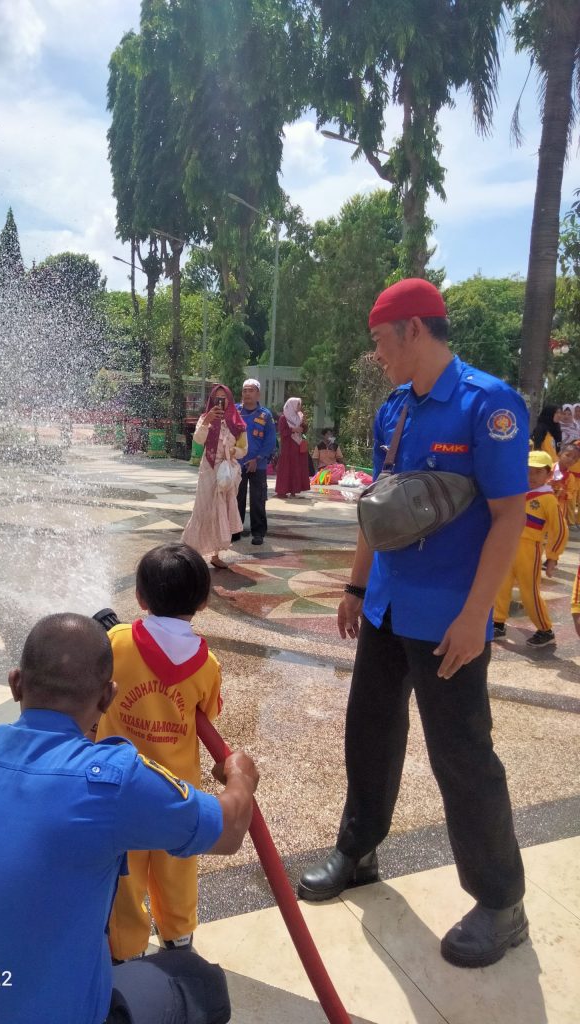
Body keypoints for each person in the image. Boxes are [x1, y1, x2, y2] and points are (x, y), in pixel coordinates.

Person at [298, 278, 530, 970]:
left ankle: (501, 903)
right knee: (369, 731)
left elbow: (508, 517)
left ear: (413, 331)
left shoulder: (487, 406)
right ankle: (359, 848)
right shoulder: (394, 410)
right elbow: (380, 504)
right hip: (388, 606)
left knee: (462, 756)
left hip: (448, 620)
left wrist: (474, 616)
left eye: (379, 342)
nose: (377, 357)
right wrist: (356, 584)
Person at [0, 613, 258, 1024]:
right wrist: (240, 776)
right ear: (108, 697)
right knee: (199, 981)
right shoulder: (112, 781)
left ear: (16, 683)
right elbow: (230, 829)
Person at [95, 543, 222, 962]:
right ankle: (178, 938)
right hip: (177, 793)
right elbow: (210, 709)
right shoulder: (207, 665)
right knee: (177, 868)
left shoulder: (117, 642)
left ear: (140, 597)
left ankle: (125, 949)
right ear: (203, 601)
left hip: (119, 789)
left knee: (125, 875)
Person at [493, 450, 567, 647]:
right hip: (507, 545)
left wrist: (553, 557)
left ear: (548, 475)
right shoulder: (516, 493)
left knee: (529, 591)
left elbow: (559, 529)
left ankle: (545, 629)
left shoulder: (548, 499)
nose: (531, 477)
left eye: (537, 472)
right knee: (500, 584)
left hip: (529, 549)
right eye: (528, 471)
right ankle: (498, 622)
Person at [182, 384, 247, 569]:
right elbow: (198, 440)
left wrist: (232, 451)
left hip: (226, 473)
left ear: (229, 399)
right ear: (212, 400)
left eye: (224, 397)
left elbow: (244, 449)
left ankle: (215, 554)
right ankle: (191, 551)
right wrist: (208, 420)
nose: (221, 400)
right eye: (217, 397)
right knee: (202, 509)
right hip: (208, 470)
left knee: (220, 511)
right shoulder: (205, 418)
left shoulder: (238, 422)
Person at [233, 378, 276, 546]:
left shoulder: (265, 415)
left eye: (251, 390)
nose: (247, 394)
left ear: (258, 394)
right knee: (237, 497)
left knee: (258, 499)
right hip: (238, 463)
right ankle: (235, 530)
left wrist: (257, 459)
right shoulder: (235, 411)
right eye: (244, 390)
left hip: (259, 464)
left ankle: (258, 532)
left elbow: (270, 441)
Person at [275, 397, 311, 498]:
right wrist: (294, 429)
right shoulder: (284, 418)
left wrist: (304, 424)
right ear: (292, 405)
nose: (300, 407)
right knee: (286, 467)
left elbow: (304, 430)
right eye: (298, 404)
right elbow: (282, 432)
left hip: (298, 447)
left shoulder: (299, 416)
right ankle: (282, 491)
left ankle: (294, 490)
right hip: (288, 447)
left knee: (296, 467)